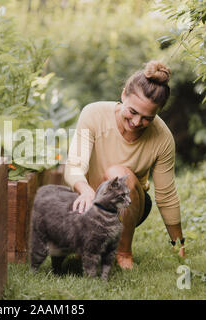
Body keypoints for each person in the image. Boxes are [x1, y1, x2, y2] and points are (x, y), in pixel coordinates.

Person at [64, 60, 185, 270]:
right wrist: (84, 191)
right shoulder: (93, 114)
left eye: (148, 118)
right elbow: (75, 165)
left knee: (119, 176)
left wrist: (179, 243)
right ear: (123, 95)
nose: (137, 122)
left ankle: (123, 253)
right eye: (133, 112)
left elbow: (166, 195)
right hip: (88, 201)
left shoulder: (162, 137)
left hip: (129, 206)